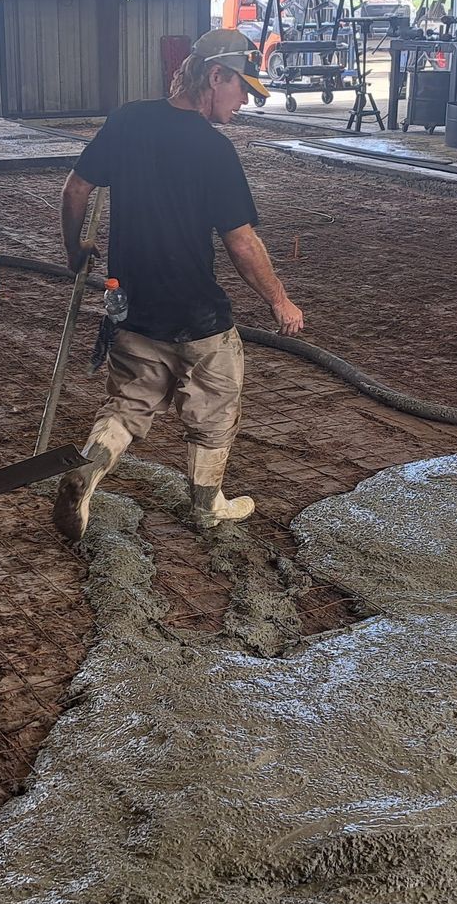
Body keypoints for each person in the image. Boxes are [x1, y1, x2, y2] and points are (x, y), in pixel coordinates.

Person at [51, 30, 305, 543]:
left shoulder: (128, 119)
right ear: (216, 76)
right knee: (216, 402)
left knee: (127, 404)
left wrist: (75, 248)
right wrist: (279, 298)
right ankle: (207, 505)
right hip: (195, 311)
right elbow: (241, 241)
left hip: (133, 305)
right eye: (242, 91)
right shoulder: (213, 151)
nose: (243, 104)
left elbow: (75, 188)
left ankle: (88, 473)